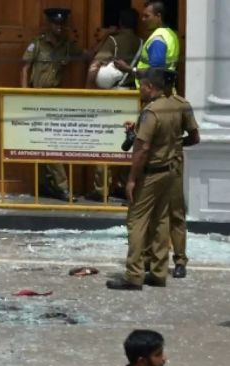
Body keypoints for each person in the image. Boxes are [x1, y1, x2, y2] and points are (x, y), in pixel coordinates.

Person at [106, 69, 188, 290]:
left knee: (136, 220)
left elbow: (142, 149)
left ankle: (134, 275)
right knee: (161, 220)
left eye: (141, 86)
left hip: (151, 173)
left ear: (150, 87)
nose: (139, 90)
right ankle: (159, 272)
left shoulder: (151, 112)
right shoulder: (175, 106)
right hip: (170, 170)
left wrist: (131, 179)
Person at [21, 8, 85, 202]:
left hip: (55, 99)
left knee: (51, 141)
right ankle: (58, 186)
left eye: (62, 24)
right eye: (56, 24)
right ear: (49, 24)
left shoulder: (66, 46)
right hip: (37, 98)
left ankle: (52, 186)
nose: (59, 27)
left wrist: (107, 41)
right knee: (42, 142)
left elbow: (86, 54)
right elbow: (25, 68)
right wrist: (23, 94)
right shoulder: (37, 45)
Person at [86, 8, 141, 202]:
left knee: (104, 139)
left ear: (120, 23)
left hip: (111, 96)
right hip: (131, 96)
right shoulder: (141, 42)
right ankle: (122, 184)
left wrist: (87, 90)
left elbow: (94, 65)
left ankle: (101, 189)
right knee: (128, 139)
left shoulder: (114, 40)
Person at [151, 71, 199, 279]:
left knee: (176, 214)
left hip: (173, 165)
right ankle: (150, 257)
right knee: (154, 213)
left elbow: (194, 137)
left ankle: (180, 259)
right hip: (153, 165)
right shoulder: (152, 103)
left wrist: (176, 145)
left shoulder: (181, 105)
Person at [114, 1, 180, 88]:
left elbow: (156, 73)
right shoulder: (170, 34)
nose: (143, 19)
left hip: (154, 93)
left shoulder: (158, 39)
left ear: (158, 16)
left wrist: (128, 69)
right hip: (164, 91)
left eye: (147, 16)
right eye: (143, 16)